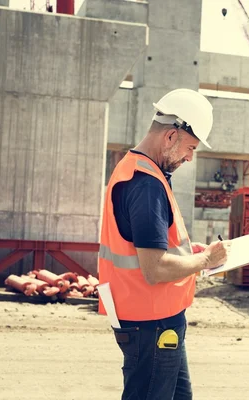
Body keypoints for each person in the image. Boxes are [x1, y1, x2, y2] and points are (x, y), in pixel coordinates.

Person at [98, 88, 230, 400]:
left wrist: (192, 252)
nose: (190, 157)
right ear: (170, 137)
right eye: (190, 147)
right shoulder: (146, 185)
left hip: (155, 318)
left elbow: (151, 246)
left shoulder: (137, 169)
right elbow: (154, 269)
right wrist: (206, 260)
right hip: (151, 322)